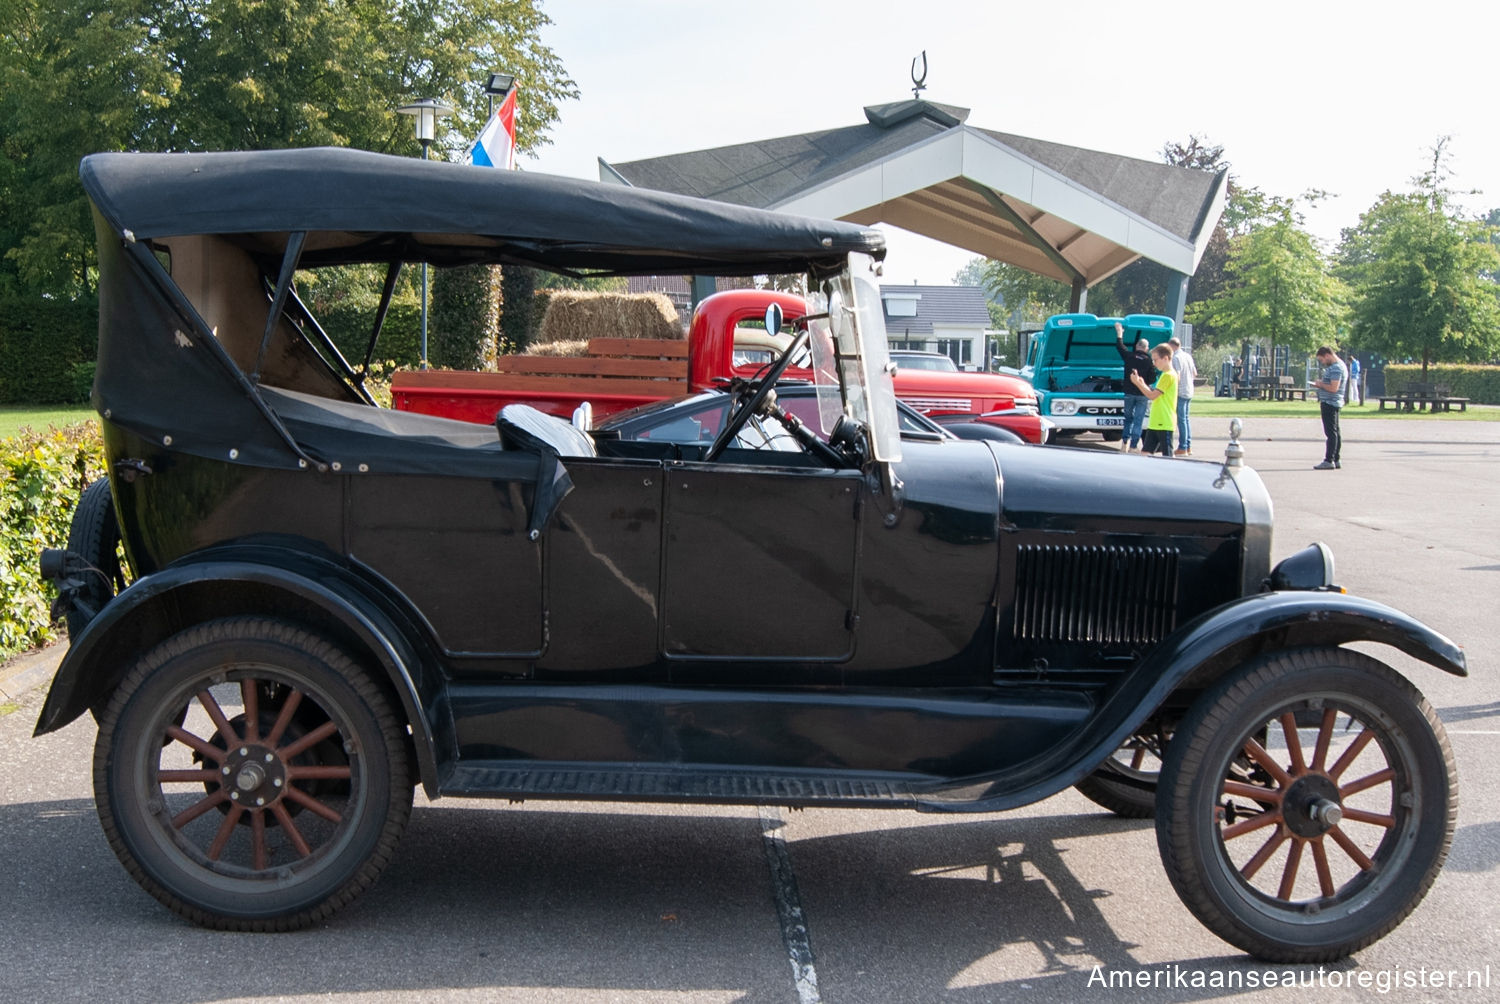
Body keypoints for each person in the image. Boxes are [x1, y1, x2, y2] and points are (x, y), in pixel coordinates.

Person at [1130, 344, 1178, 457]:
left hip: (1164, 421)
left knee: (1168, 456)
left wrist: (1137, 383)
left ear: (1165, 358)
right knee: (1145, 453)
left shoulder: (1168, 375)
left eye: (1156, 360)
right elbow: (1154, 393)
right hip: (1156, 422)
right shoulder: (1165, 375)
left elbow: (1152, 396)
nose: (1154, 363)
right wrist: (1142, 383)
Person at [1114, 322, 1154, 452]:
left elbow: (1120, 347)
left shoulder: (1129, 356)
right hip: (1142, 394)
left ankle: (1124, 444)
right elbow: (1152, 378)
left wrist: (1120, 333)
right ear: (1146, 349)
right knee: (1138, 420)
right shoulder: (1149, 361)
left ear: (1137, 346)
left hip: (1129, 393)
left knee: (1128, 419)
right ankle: (1133, 446)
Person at [1312, 346, 1347, 470]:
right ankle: (1336, 458)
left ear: (1327, 355)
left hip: (1330, 402)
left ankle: (1329, 459)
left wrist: (1320, 384)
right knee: (1335, 431)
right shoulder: (1340, 365)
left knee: (1331, 433)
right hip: (1334, 402)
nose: (1322, 363)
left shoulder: (1336, 368)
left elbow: (1333, 388)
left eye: (1322, 360)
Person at [1168, 335, 1197, 455]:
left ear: (1172, 346)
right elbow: (1195, 373)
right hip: (1190, 389)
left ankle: (1182, 447)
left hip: (1180, 391)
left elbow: (1177, 375)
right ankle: (1188, 446)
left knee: (1181, 420)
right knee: (1186, 419)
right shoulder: (1188, 356)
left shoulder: (1176, 358)